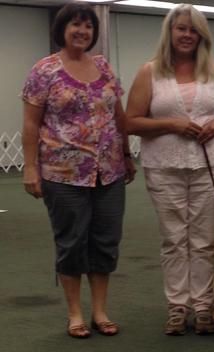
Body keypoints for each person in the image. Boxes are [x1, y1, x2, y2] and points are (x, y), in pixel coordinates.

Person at [22, 2, 135, 339]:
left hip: (110, 172)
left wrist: (127, 155)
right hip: (62, 173)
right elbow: (30, 125)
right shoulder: (44, 70)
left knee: (105, 242)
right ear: (62, 29)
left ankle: (100, 311)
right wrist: (30, 169)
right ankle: (75, 313)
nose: (82, 31)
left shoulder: (105, 68)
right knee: (71, 243)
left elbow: (119, 117)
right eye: (75, 24)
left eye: (88, 26)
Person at [126, 4, 214, 336]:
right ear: (169, 32)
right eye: (181, 29)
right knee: (174, 240)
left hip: (209, 164)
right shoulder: (150, 72)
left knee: (203, 240)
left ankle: (203, 307)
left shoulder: (213, 70)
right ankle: (177, 307)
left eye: (193, 30)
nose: (187, 35)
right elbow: (130, 121)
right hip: (163, 167)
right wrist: (170, 124)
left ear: (201, 35)